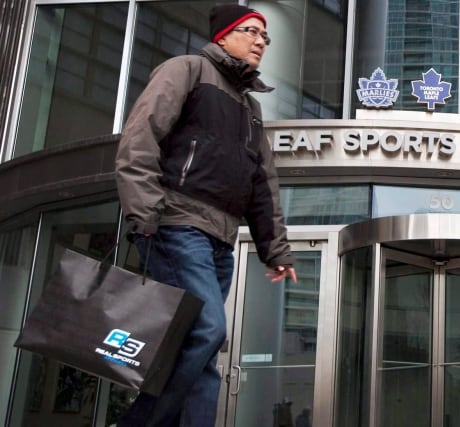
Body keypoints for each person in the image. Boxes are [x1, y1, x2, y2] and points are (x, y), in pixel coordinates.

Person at [114, 4, 296, 426]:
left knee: (202, 349)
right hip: (177, 224)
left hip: (219, 239)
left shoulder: (251, 109)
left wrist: (276, 250)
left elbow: (262, 184)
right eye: (251, 32)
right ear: (223, 36)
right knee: (209, 329)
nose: (260, 42)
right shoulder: (187, 70)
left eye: (264, 37)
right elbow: (141, 137)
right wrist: (145, 212)